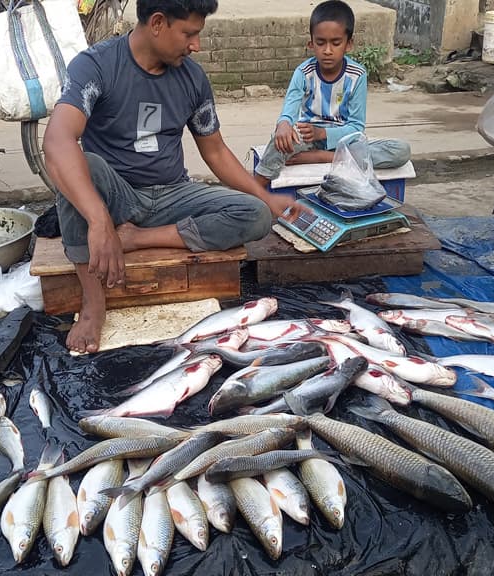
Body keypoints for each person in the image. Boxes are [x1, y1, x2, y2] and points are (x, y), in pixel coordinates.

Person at [44, 0, 305, 354]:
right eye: (189, 33)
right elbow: (57, 140)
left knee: (255, 214)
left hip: (172, 194)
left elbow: (214, 151)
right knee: (79, 166)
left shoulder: (192, 78)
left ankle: (137, 238)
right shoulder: (96, 65)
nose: (196, 45)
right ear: (156, 23)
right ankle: (93, 303)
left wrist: (267, 198)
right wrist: (98, 219)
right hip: (116, 196)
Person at [252, 0, 411, 188]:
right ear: (311, 44)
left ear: (348, 44)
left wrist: (323, 134)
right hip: (307, 137)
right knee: (278, 143)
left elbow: (356, 127)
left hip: (344, 142)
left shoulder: (357, 75)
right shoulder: (303, 72)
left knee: (401, 150)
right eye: (321, 43)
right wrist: (284, 124)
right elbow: (290, 107)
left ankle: (323, 157)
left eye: (336, 43)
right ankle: (254, 187)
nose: (327, 51)